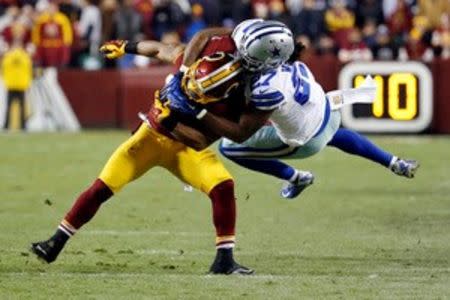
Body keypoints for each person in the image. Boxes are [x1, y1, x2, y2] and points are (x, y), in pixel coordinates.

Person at [30, 38, 253, 275]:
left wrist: (172, 120)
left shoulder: (229, 105)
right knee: (101, 187)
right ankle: (56, 242)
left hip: (187, 147)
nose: (193, 86)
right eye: (193, 79)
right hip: (149, 139)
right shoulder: (186, 64)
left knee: (223, 186)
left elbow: (199, 141)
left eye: (202, 88)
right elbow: (160, 49)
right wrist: (127, 46)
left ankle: (224, 260)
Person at [163, 23, 420, 200]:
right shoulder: (285, 53)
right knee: (335, 135)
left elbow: (240, 133)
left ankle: (295, 177)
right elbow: (215, 36)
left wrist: (198, 113)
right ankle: (395, 162)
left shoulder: (265, 87)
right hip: (329, 112)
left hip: (306, 141)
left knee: (229, 148)